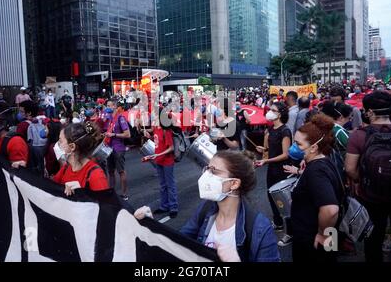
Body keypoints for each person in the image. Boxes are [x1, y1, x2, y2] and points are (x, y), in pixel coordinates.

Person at [135, 151, 280, 262]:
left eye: (214, 171)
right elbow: (179, 243)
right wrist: (151, 225)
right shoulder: (206, 210)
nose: (206, 175)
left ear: (234, 183)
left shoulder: (260, 228)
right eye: (207, 169)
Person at [345, 91, 391, 262]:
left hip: (370, 195)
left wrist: (362, 179)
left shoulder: (359, 135)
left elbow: (350, 169)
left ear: (370, 112)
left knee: (373, 237)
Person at [284, 114, 342, 262]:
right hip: (330, 232)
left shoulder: (316, 171)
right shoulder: (323, 160)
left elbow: (331, 210)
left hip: (313, 238)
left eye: (299, 144)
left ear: (314, 147)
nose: (294, 147)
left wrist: (322, 234)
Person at [255, 102, 292, 234]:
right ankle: (278, 223)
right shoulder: (271, 129)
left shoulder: (285, 131)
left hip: (281, 170)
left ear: (279, 114)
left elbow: (285, 154)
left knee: (282, 199)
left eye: (273, 110)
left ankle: (289, 231)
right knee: (271, 195)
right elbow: (273, 148)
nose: (269, 112)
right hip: (271, 168)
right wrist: (264, 149)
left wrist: (266, 160)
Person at [53, 122, 109, 195]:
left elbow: (107, 204)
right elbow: (51, 187)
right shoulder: (66, 168)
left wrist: (82, 194)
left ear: (72, 147)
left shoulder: (96, 176)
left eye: (60, 141)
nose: (57, 144)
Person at [143, 110, 178, 218]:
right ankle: (164, 206)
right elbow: (157, 142)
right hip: (159, 160)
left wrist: (158, 155)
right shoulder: (156, 129)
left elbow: (171, 148)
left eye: (155, 117)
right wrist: (148, 136)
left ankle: (173, 207)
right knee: (162, 185)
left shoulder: (166, 130)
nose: (153, 118)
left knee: (170, 185)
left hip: (167, 161)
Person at [104, 100, 131, 200]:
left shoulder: (120, 118)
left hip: (119, 148)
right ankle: (112, 193)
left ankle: (124, 194)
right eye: (106, 105)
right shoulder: (109, 119)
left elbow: (128, 134)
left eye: (108, 106)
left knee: (121, 171)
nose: (106, 108)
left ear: (114, 106)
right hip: (109, 149)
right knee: (110, 171)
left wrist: (114, 135)